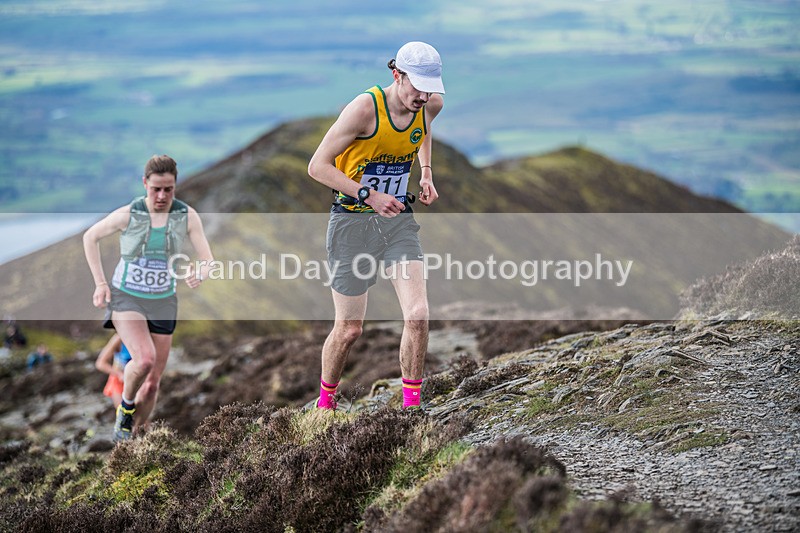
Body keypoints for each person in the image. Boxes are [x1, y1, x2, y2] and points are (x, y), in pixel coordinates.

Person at [307, 42, 445, 410]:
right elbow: (317, 166)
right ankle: (326, 403)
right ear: (396, 75)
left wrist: (426, 173)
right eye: (416, 86)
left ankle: (411, 409)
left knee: (417, 315)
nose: (423, 95)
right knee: (350, 330)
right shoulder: (364, 109)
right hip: (351, 222)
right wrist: (368, 194)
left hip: (397, 220)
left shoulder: (430, 104)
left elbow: (423, 129)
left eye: (430, 86)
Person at [83, 154, 213, 441]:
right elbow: (90, 237)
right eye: (156, 189)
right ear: (145, 184)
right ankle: (126, 409)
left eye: (169, 189)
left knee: (153, 384)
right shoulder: (129, 214)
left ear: (175, 186)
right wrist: (100, 284)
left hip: (164, 301)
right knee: (143, 360)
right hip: (126, 296)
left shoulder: (187, 215)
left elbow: (208, 259)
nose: (162, 195)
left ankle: (134, 437)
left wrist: (201, 272)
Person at [95, 333, 131, 409]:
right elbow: (100, 363)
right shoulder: (119, 338)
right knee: (123, 413)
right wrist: (119, 374)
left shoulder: (146, 337)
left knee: (140, 417)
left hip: (138, 382)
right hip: (119, 382)